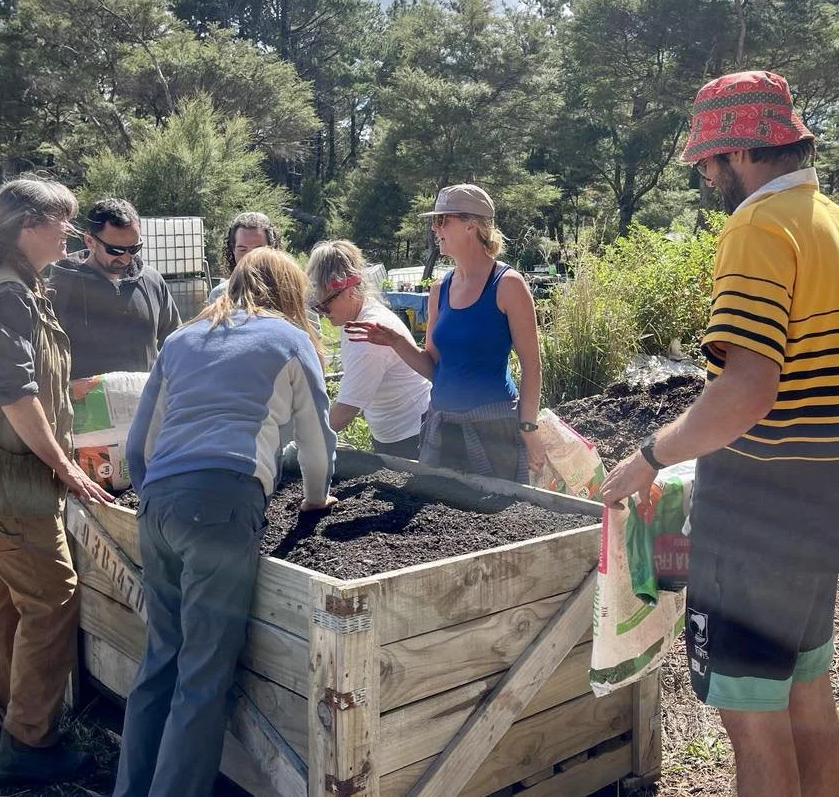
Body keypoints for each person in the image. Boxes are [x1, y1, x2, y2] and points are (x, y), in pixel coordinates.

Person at [599, 71, 839, 797]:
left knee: (754, 726)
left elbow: (747, 390)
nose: (704, 175)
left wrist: (651, 456)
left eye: (707, 160)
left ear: (738, 152)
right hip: (819, 503)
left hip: (752, 523)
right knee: (809, 701)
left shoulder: (758, 227)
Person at [113, 247, 336, 797]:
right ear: (289, 292)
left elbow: (138, 443)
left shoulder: (182, 339)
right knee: (203, 674)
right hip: (222, 502)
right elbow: (317, 441)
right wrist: (315, 501)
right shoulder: (290, 339)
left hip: (159, 503)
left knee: (161, 658)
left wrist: (151, 495)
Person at [0, 178, 114, 786]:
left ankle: (0, 722)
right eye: (64, 222)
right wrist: (64, 466)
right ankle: (30, 743)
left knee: (4, 598)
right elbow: (14, 393)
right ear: (30, 226)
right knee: (52, 600)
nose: (70, 232)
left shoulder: (10, 284)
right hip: (10, 480)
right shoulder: (6, 292)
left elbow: (23, 379)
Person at [346, 184, 545, 482]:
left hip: (493, 432)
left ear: (471, 226)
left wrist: (528, 428)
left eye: (442, 220)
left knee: (492, 510)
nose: (434, 227)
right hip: (443, 431)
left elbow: (532, 365)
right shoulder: (440, 289)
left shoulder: (508, 284)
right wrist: (396, 341)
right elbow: (435, 368)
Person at [306, 239, 431, 458]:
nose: (323, 313)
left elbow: (345, 411)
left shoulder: (368, 334)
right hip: (394, 431)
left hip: (412, 435)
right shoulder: (354, 317)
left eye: (325, 305)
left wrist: (302, 440)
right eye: (317, 307)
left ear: (348, 291)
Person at [48, 198, 180, 379]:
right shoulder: (62, 285)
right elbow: (45, 355)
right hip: (84, 397)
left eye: (134, 248)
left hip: (144, 395)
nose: (126, 258)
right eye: (115, 251)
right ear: (90, 241)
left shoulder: (152, 281)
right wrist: (69, 388)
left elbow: (175, 342)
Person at [205, 211, 281, 304]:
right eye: (242, 250)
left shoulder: (287, 292)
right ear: (233, 249)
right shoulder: (219, 295)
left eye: (257, 250)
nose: (249, 257)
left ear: (272, 248)